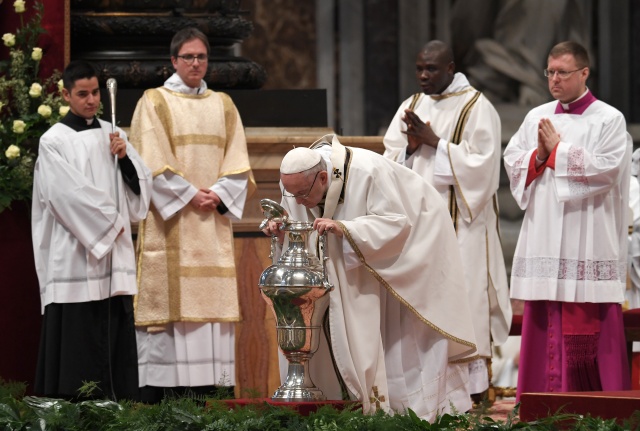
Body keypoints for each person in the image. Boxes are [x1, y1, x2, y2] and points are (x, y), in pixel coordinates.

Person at [263, 134, 478, 421]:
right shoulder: (297, 181)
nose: (298, 200)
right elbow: (293, 218)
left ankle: (406, 412)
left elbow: (395, 223)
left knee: (398, 332)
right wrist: (280, 230)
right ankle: (338, 404)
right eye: (292, 194)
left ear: (324, 178)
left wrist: (345, 228)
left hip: (414, 242)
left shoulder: (367, 172)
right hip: (355, 256)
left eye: (302, 194)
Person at [129, 27, 255, 401]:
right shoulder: (154, 102)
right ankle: (163, 402)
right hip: (173, 225)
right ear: (173, 61)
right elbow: (149, 160)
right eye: (188, 57)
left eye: (201, 57)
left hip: (211, 224)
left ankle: (211, 398)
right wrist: (187, 195)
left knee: (210, 316)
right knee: (172, 316)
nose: (196, 63)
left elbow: (238, 160)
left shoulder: (224, 105)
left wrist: (216, 194)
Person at [503, 41, 633, 399]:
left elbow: (606, 169)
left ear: (584, 73)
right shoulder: (536, 117)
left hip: (587, 236)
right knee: (543, 318)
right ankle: (538, 404)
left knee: (588, 318)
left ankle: (596, 405)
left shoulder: (609, 119)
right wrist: (539, 155)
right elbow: (513, 159)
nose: (554, 79)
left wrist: (557, 151)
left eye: (562, 72)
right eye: (550, 72)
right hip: (545, 234)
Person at [383, 40, 512, 399]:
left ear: (451, 68)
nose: (424, 75)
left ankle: (468, 391)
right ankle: (423, 386)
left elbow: (484, 170)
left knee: (462, 297)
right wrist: (410, 147)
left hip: (463, 227)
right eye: (419, 68)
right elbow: (389, 160)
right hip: (420, 225)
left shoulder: (477, 107)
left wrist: (435, 141)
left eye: (432, 69)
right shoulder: (410, 106)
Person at [31, 60, 152, 400]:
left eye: (95, 92)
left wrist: (126, 158)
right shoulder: (53, 141)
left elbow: (140, 190)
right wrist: (111, 223)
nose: (91, 100)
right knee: (78, 338)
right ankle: (72, 409)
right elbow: (63, 195)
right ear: (66, 94)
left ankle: (118, 409)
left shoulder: (114, 134)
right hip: (74, 255)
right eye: (82, 94)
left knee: (113, 334)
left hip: (111, 258)